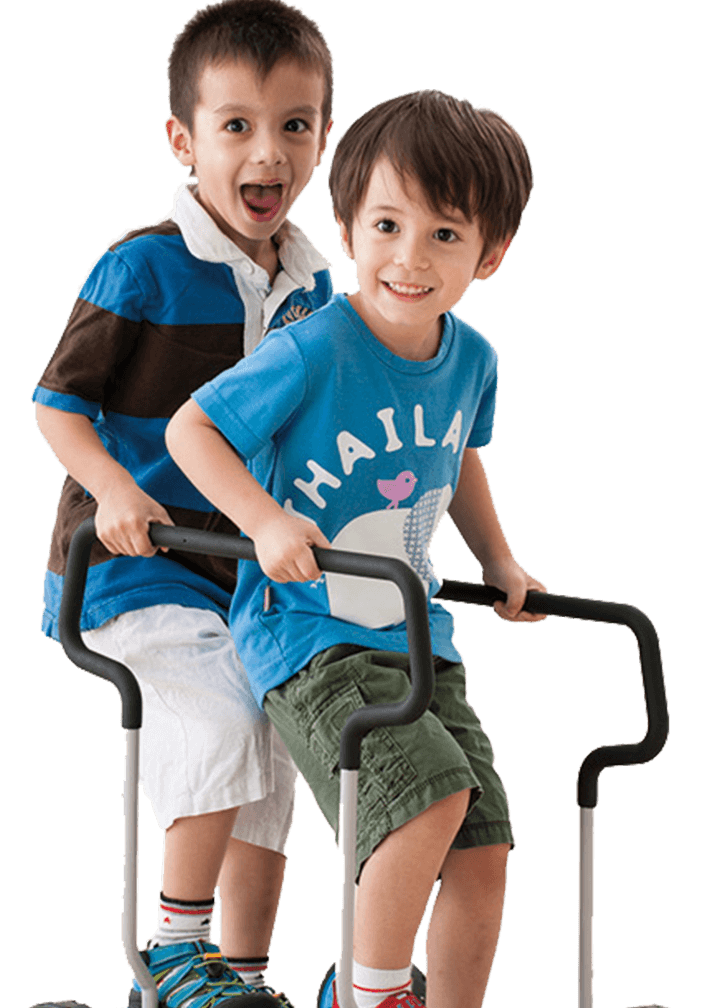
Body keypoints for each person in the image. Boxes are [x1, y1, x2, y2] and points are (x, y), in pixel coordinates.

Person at [166, 89, 548, 1008]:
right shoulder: (314, 348)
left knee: (483, 839)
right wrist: (264, 520)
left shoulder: (472, 359)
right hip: (310, 634)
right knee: (427, 794)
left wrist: (499, 562)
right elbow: (193, 432)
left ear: (490, 253)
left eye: (444, 235)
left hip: (417, 638)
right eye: (386, 225)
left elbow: (458, 457)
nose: (408, 258)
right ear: (344, 229)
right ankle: (369, 993)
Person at [32, 0, 335, 1006]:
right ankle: (170, 952)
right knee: (219, 712)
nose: (269, 151)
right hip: (132, 565)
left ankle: (240, 975)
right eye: (237, 124)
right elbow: (57, 404)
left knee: (278, 740)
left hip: (242, 572)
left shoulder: (314, 290)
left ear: (324, 135)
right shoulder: (144, 264)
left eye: (295, 124)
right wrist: (115, 487)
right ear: (184, 140)